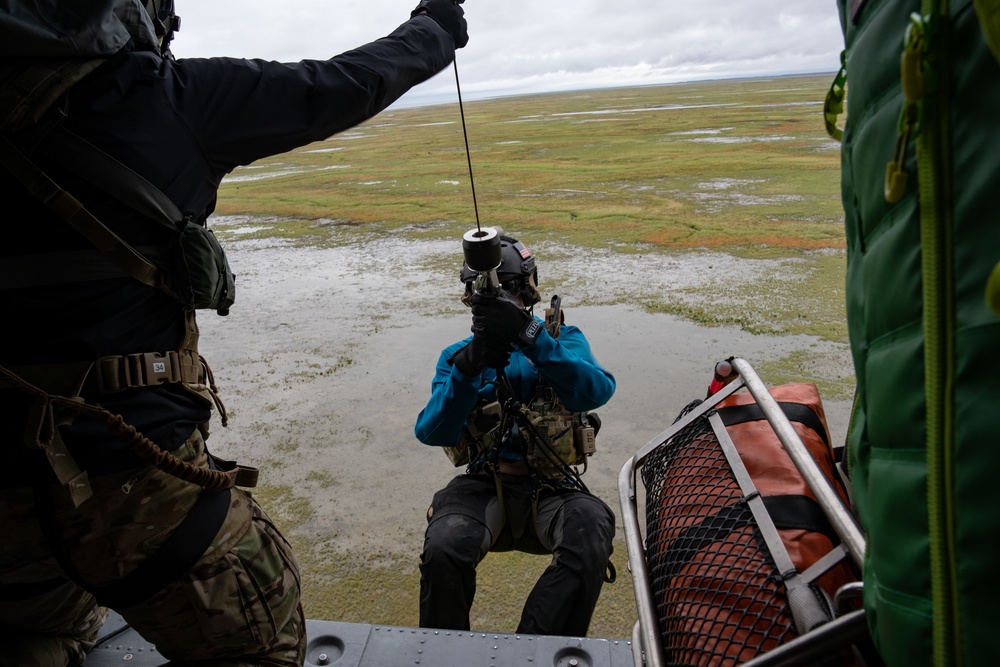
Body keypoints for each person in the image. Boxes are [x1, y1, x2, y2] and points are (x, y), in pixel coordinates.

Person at [0, 0, 468, 665]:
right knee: (257, 641)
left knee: (31, 630)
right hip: (133, 486)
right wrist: (436, 30)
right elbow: (339, 84)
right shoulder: (163, 101)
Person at [414, 233, 617, 637]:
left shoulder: (563, 340)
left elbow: (597, 391)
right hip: (485, 482)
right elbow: (432, 430)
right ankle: (443, 653)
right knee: (443, 546)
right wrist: (469, 368)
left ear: (528, 291)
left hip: (554, 487)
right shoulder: (457, 356)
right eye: (495, 293)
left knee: (591, 535)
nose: (506, 299)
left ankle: (535, 650)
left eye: (511, 291)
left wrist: (531, 337)